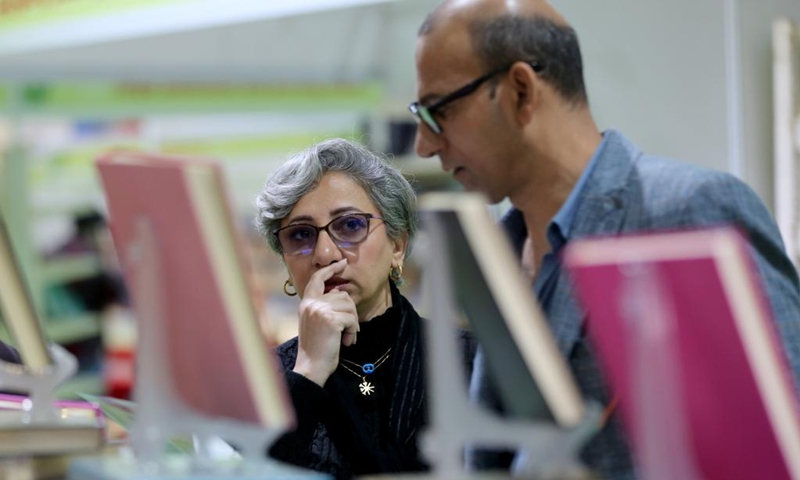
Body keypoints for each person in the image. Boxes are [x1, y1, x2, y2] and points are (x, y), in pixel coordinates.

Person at [409, 1, 800, 479]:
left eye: (438, 111)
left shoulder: (690, 211)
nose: (424, 145)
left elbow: (781, 443)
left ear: (519, 90)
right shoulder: (499, 252)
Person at [254, 138, 476, 479]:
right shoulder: (261, 382)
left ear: (398, 246)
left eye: (350, 225)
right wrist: (309, 371)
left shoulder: (473, 362)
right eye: (300, 235)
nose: (325, 254)